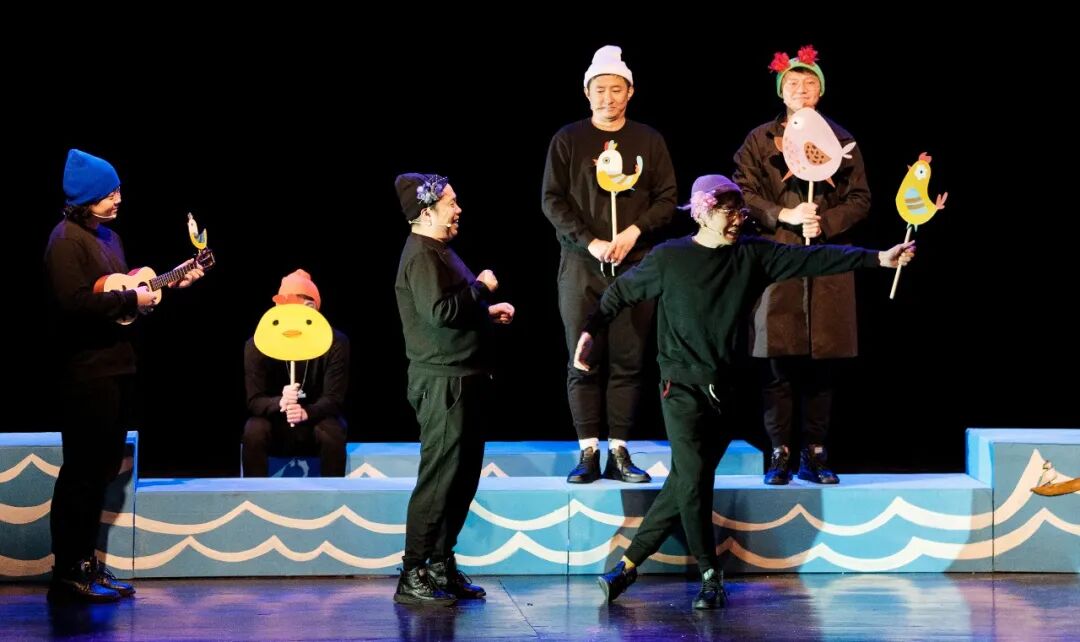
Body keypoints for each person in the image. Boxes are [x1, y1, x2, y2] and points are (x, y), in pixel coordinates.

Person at [580, 175, 913, 609]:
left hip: (729, 392)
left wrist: (877, 258)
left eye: (741, 211)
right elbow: (619, 294)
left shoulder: (752, 255)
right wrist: (589, 332)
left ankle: (627, 566)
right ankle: (709, 574)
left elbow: (814, 259)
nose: (738, 219)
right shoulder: (669, 258)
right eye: (728, 211)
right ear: (702, 212)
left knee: (686, 481)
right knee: (694, 480)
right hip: (680, 388)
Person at [44, 149, 204, 602]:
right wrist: (133, 300)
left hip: (117, 366)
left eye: (118, 191)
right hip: (85, 373)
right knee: (81, 472)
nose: (118, 199)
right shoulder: (65, 241)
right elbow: (74, 304)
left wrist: (167, 284)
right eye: (108, 193)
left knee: (101, 470)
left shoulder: (109, 238)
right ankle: (68, 571)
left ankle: (86, 562)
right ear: (85, 198)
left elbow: (123, 297)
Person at [733, 45, 871, 485]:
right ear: (781, 91)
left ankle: (815, 452)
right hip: (777, 258)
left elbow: (860, 198)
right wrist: (785, 215)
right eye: (792, 83)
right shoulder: (759, 140)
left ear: (820, 91)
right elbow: (743, 192)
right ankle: (780, 451)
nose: (801, 90)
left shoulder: (842, 139)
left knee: (822, 365)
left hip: (826, 261)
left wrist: (825, 221)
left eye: (809, 83)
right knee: (777, 363)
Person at [541, 45, 677, 484]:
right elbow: (552, 200)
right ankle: (587, 451)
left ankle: (619, 450)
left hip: (635, 265)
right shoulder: (568, 139)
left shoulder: (649, 140)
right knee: (582, 358)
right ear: (587, 92)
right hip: (582, 265)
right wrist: (591, 241)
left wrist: (634, 231)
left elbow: (667, 198)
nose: (607, 97)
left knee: (628, 359)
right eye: (599, 89)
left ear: (630, 91)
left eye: (616, 89)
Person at [393, 172, 515, 605]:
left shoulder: (440, 251)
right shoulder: (422, 255)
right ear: (427, 212)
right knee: (439, 480)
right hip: (443, 383)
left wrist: (485, 312)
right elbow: (441, 313)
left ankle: (441, 564)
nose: (459, 209)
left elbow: (451, 312)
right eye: (451, 202)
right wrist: (481, 287)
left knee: (461, 479)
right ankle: (413, 571)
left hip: (465, 377)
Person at [243, 269, 349, 477]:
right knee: (254, 430)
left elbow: (334, 399)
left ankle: (332, 494)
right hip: (276, 422)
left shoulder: (335, 342)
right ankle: (254, 494)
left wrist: (306, 412)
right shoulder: (257, 345)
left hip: (316, 419)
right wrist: (279, 402)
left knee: (332, 432)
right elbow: (254, 401)